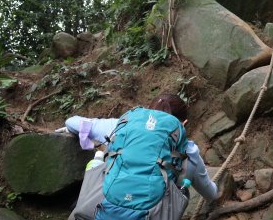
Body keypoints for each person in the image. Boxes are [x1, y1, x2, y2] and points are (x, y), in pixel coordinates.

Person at [63, 94, 218, 219]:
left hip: (103, 208)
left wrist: (76, 132)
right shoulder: (189, 150)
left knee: (99, 160)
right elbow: (210, 193)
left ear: (147, 111)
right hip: (153, 213)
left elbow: (72, 122)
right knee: (184, 186)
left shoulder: (121, 125)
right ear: (183, 123)